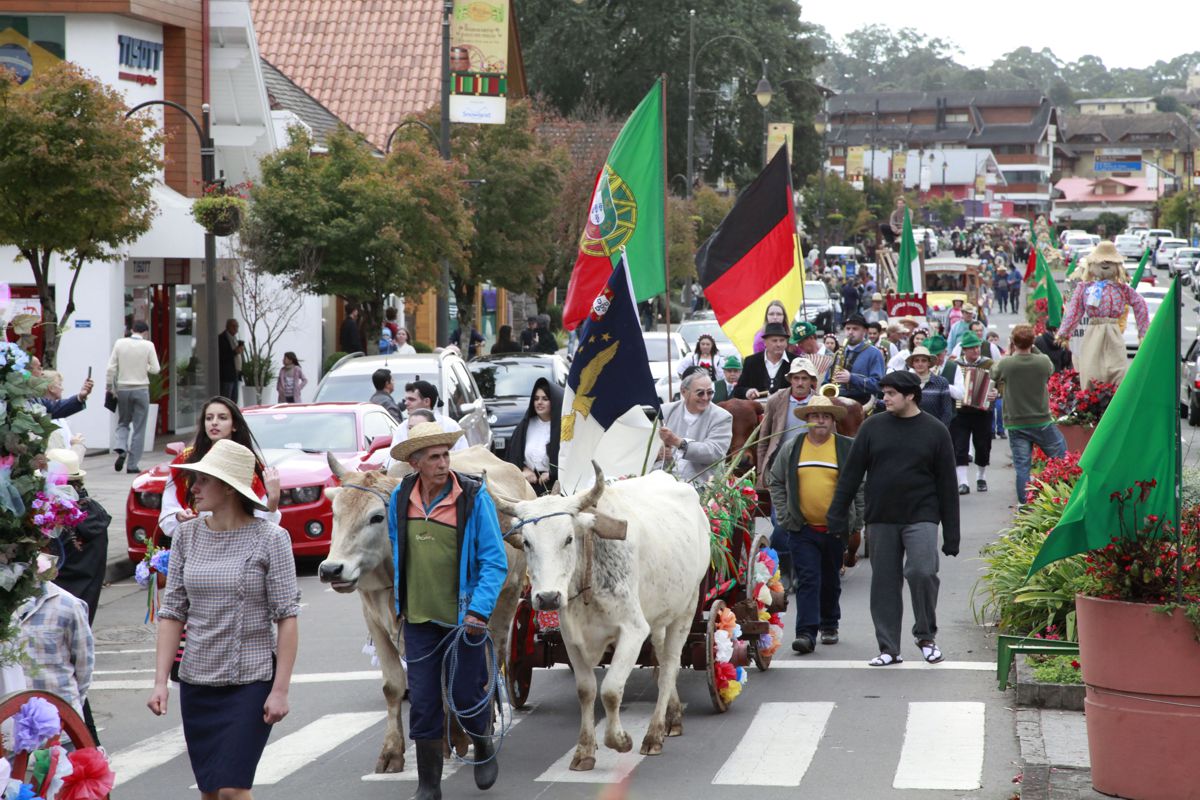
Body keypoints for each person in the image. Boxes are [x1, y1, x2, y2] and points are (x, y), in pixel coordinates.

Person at [150, 439, 301, 799]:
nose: (194, 488)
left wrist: (279, 691)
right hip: (197, 682)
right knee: (210, 792)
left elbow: (287, 617)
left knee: (233, 789)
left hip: (250, 682)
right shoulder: (187, 535)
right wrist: (160, 682)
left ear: (230, 489)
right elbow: (172, 612)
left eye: (203, 480)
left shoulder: (272, 538)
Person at [386, 422, 508, 797]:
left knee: (468, 695)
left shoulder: (473, 498)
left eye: (445, 455)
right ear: (414, 463)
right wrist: (399, 602)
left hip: (464, 621)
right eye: (434, 457)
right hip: (419, 619)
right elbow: (396, 548)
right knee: (422, 702)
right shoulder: (401, 497)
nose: (443, 463)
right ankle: (428, 785)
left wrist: (478, 612)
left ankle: (483, 741)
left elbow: (494, 561)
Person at [826, 371, 960, 667]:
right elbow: (850, 475)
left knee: (922, 571)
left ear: (910, 395)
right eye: (883, 392)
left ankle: (926, 637)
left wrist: (952, 533)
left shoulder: (935, 430)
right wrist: (837, 516)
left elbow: (948, 485)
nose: (884, 398)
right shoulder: (872, 427)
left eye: (890, 393)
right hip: (882, 517)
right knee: (884, 582)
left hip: (922, 515)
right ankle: (889, 648)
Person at [768, 396, 862, 654]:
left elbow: (860, 485)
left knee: (830, 579)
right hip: (803, 528)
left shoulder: (846, 447)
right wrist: (786, 515)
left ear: (833, 421)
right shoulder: (793, 447)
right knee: (808, 579)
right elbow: (774, 480)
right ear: (807, 420)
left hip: (835, 528)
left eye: (826, 416)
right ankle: (806, 634)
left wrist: (858, 520)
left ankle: (830, 624)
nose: (820, 420)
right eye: (815, 415)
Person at [157, 397, 282, 541]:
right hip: (195, 543)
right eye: (209, 418)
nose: (214, 422)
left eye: (222, 418)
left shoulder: (246, 463)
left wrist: (273, 501)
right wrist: (178, 516)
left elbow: (265, 526)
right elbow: (167, 514)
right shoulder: (185, 460)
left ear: (234, 425)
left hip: (238, 543)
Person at [992, 324, 1068, 504]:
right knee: (1061, 457)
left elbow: (993, 372)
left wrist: (1011, 352)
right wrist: (1032, 346)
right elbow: (1049, 367)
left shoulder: (1007, 364)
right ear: (1032, 342)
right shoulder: (1042, 362)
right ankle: (1065, 494)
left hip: (1016, 423)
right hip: (1041, 420)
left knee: (1022, 467)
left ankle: (1024, 504)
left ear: (1012, 342)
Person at [14, 569, 93, 715]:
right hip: (11, 722)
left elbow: (84, 665)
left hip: (60, 720)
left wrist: (70, 708)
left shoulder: (68, 605)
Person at [656, 370, 733, 485]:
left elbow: (714, 453)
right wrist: (659, 453)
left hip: (704, 487)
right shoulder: (665, 412)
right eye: (700, 393)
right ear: (683, 392)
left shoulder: (722, 417)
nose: (706, 398)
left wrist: (679, 443)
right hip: (666, 484)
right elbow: (647, 445)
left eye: (710, 392)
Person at [107, 319, 162, 473]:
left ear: (131, 330)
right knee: (139, 428)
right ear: (145, 332)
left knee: (123, 422)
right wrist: (145, 366)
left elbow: (111, 368)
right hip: (141, 389)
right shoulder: (148, 345)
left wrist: (109, 387)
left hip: (123, 389)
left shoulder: (119, 343)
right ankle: (132, 465)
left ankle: (121, 447)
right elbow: (156, 369)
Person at [757, 358, 818, 486]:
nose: (800, 382)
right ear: (790, 379)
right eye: (796, 378)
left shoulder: (820, 403)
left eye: (804, 378)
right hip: (779, 467)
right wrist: (761, 472)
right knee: (779, 505)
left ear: (811, 380)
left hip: (811, 467)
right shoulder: (775, 400)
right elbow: (764, 439)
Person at [949, 331, 996, 495]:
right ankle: (963, 482)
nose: (975, 351)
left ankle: (981, 477)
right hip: (960, 412)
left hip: (983, 412)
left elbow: (1000, 381)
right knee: (960, 446)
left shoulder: (988, 364)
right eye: (971, 348)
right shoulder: (955, 365)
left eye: (977, 347)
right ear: (964, 350)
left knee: (983, 446)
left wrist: (995, 392)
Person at [505, 377, 562, 495]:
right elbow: (513, 455)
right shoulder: (525, 426)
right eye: (536, 399)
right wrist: (523, 469)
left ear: (554, 402)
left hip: (555, 488)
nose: (539, 402)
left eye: (545, 399)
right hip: (527, 486)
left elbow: (568, 459)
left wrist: (551, 473)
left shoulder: (562, 428)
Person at [389, 380, 468, 455]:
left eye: (411, 399)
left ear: (427, 401)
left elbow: (463, 458)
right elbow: (391, 461)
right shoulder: (402, 428)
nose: (406, 403)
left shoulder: (450, 426)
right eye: (405, 399)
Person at [830, 314, 884, 407]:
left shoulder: (874, 353)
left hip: (863, 404)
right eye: (848, 328)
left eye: (855, 329)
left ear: (865, 331)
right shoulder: (838, 353)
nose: (850, 332)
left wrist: (851, 378)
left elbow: (878, 385)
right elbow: (827, 381)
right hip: (838, 404)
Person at [734, 322, 791, 400]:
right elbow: (738, 390)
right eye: (774, 341)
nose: (779, 344)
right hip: (757, 409)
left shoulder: (795, 361)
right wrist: (747, 391)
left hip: (786, 408)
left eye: (782, 340)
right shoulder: (751, 362)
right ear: (765, 342)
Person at [906, 346, 954, 425]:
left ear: (929, 363)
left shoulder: (941, 382)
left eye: (924, 360)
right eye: (916, 361)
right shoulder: (907, 382)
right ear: (913, 363)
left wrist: (940, 431)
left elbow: (947, 412)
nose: (920, 364)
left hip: (934, 430)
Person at [217, 318, 244, 404]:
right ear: (228, 326)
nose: (236, 329)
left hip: (235, 374)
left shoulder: (234, 338)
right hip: (227, 375)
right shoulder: (222, 339)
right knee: (226, 400)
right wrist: (235, 352)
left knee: (234, 400)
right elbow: (222, 356)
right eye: (234, 326)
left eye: (237, 326)